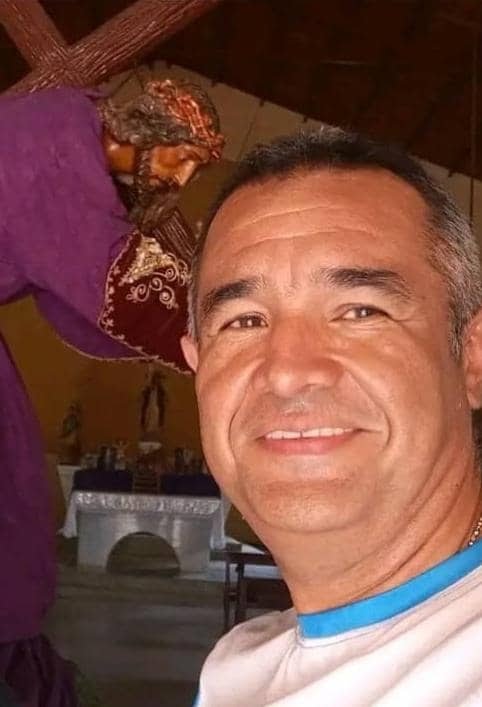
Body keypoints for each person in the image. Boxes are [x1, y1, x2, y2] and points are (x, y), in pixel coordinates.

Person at [181, 127, 482, 706]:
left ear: (471, 357)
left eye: (360, 311)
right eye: (244, 321)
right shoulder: (235, 667)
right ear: (196, 365)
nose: (288, 372)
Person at [0, 79, 222, 706]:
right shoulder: (54, 155)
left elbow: (70, 300)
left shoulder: (64, 124)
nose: (181, 178)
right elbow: (118, 289)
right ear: (143, 132)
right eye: (182, 158)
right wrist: (236, 326)